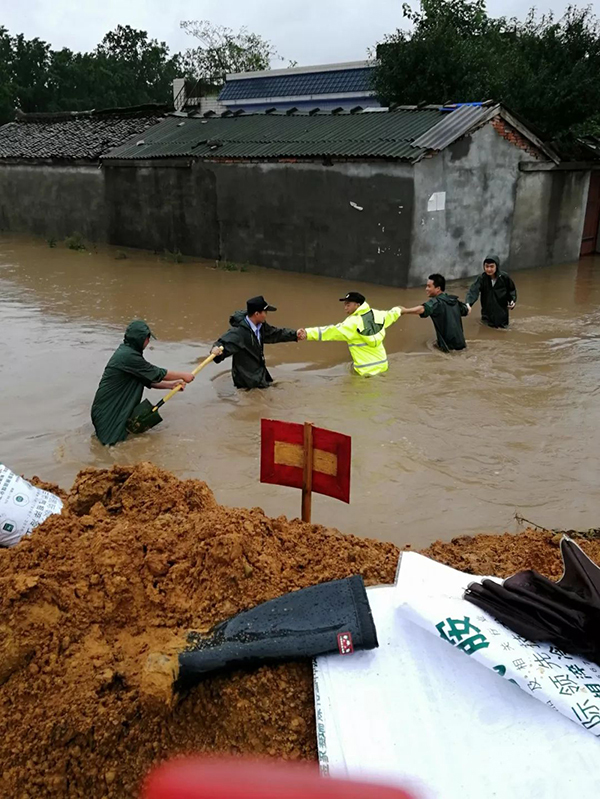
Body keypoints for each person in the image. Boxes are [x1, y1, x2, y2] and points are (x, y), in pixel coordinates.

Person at [91, 319, 195, 446]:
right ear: (141, 339)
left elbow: (146, 379)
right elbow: (156, 373)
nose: (148, 341)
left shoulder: (128, 352)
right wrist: (184, 375)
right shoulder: (128, 357)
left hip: (107, 411)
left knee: (119, 444)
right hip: (108, 414)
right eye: (147, 338)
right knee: (111, 446)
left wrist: (170, 385)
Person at [297, 292, 402, 376]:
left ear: (357, 305)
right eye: (345, 305)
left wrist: (308, 333)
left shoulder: (352, 323)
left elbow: (330, 331)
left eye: (348, 305)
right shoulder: (378, 315)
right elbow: (396, 311)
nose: (345, 308)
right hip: (383, 367)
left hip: (365, 372)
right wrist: (415, 310)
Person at [211, 296, 299, 389]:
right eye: (265, 312)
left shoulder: (261, 326)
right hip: (247, 383)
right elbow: (223, 344)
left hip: (260, 375)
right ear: (257, 314)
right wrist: (216, 349)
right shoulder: (239, 332)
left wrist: (295, 335)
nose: (266, 315)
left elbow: (275, 334)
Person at [401, 274, 468, 352]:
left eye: (429, 286)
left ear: (438, 288)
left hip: (448, 348)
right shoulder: (454, 301)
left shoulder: (436, 302)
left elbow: (423, 309)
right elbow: (466, 310)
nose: (426, 289)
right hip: (462, 345)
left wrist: (405, 311)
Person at [465, 255, 517, 328]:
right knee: (485, 330)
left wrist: (512, 300)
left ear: (497, 266)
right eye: (487, 266)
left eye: (492, 266)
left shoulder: (504, 277)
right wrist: (468, 304)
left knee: (502, 334)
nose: (489, 269)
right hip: (487, 316)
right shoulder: (482, 279)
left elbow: (511, 290)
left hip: (502, 317)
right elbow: (473, 291)